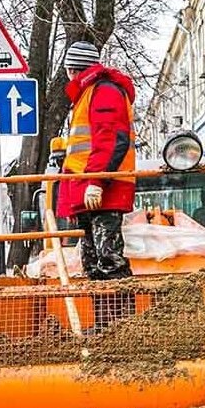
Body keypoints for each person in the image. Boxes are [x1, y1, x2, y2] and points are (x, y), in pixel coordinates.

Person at [56, 40, 136, 283]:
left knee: (108, 262)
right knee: (94, 265)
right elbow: (86, 150)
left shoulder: (103, 91)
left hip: (103, 191)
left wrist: (96, 182)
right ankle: (104, 320)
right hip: (93, 191)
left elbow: (111, 140)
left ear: (73, 70)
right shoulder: (91, 93)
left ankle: (120, 320)